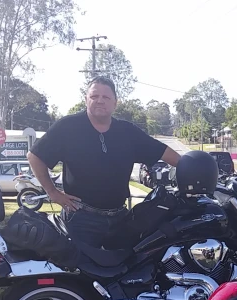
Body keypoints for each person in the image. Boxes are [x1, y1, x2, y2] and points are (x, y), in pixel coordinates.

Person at [27, 75, 182, 248]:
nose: (100, 101)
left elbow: (164, 152)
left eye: (106, 97)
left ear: (115, 103)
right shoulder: (68, 127)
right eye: (94, 96)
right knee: (81, 273)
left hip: (120, 219)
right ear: (86, 100)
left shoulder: (127, 132)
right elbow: (35, 156)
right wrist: (52, 192)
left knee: (128, 271)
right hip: (80, 219)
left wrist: (194, 169)